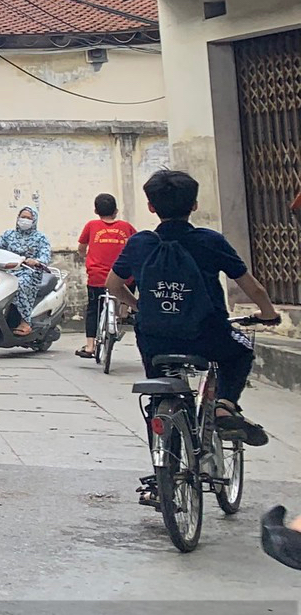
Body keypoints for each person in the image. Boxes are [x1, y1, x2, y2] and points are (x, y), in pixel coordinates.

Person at [108, 168, 280, 446]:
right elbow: (253, 287)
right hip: (207, 335)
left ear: (151, 207)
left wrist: (140, 306)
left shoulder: (139, 242)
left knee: (160, 393)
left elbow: (113, 285)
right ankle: (224, 405)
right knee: (241, 350)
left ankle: (164, 468)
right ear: (194, 205)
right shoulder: (210, 241)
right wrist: (269, 314)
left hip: (155, 339)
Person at [75, 193, 134, 360]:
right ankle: (123, 310)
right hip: (121, 278)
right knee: (131, 278)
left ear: (95, 210)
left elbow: (81, 248)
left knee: (93, 308)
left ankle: (90, 346)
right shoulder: (126, 227)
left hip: (97, 277)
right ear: (116, 210)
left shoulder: (91, 225)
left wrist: (84, 255)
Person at [0, 205, 54, 335]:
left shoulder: (40, 238)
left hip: (29, 272)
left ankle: (25, 322)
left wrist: (36, 261)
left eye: (28, 218)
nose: (24, 220)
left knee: (19, 285)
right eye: (22, 217)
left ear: (34, 220)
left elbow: (45, 256)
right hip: (8, 271)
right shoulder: (9, 235)